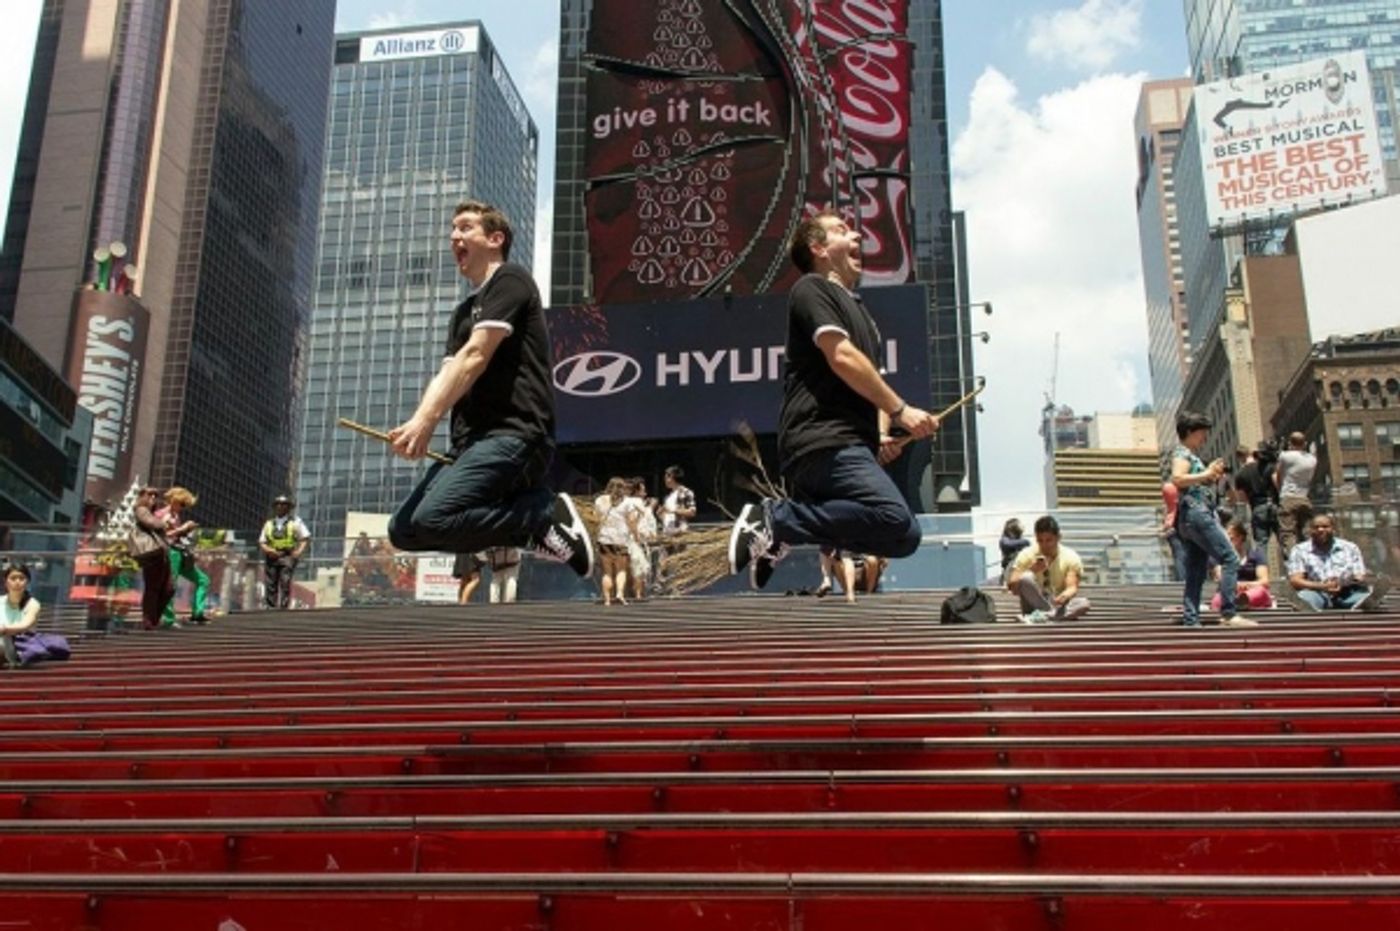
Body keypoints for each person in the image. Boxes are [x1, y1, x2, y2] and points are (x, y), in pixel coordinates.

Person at [727, 211, 938, 585]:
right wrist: (902, 410)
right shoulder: (812, 288)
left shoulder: (863, 315)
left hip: (849, 444)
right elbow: (840, 356)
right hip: (822, 439)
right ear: (818, 248)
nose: (856, 235)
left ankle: (784, 532)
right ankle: (774, 521)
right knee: (893, 518)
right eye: (842, 230)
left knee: (904, 537)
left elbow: (868, 381)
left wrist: (882, 434)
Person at [385, 200, 592, 577]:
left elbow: (476, 355)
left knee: (433, 518)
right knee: (403, 531)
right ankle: (531, 528)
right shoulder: (463, 313)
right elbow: (450, 372)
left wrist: (425, 422)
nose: (453, 237)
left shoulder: (511, 280)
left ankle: (542, 514)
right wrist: (418, 423)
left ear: (495, 238)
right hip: (469, 445)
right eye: (452, 230)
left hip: (514, 436)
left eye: (465, 228)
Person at [1171, 412, 1254, 628]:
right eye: (1201, 434)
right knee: (1230, 559)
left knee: (1196, 568)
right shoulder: (1182, 453)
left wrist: (1210, 476)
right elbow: (1178, 479)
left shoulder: (1189, 455)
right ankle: (1228, 613)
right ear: (1190, 432)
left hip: (1191, 515)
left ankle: (1191, 618)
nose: (1204, 438)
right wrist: (1207, 473)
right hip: (1197, 513)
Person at [1286, 515, 1392, 612]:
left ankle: (1367, 601)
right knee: (1305, 597)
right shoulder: (1299, 550)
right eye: (1316, 527)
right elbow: (1295, 580)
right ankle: (1304, 605)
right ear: (1310, 530)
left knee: (1361, 597)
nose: (1320, 529)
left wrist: (1342, 583)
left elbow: (1359, 576)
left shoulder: (1350, 548)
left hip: (1347, 592)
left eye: (1325, 526)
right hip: (1316, 592)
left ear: (1333, 529)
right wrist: (1322, 586)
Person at [1006, 515, 1091, 622]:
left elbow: (1072, 587)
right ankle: (1049, 615)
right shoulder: (1027, 555)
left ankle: (1042, 617)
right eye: (1040, 541)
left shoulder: (1070, 557)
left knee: (1084, 603)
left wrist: (1064, 596)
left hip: (1057, 604)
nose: (1044, 545)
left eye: (1049, 540)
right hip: (1033, 607)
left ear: (1058, 538)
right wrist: (1032, 570)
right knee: (1026, 577)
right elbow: (1013, 586)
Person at [157, 486, 209, 627]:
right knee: (171, 585)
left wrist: (186, 531)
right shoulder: (163, 514)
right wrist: (183, 529)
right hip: (170, 552)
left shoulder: (175, 515)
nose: (183, 507)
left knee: (203, 580)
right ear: (174, 500)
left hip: (180, 553)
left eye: (184, 505)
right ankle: (168, 619)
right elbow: (162, 535)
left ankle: (197, 613)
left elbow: (175, 534)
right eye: (182, 504)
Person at [2, 564, 69, 668]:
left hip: (18, 648)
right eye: (13, 578)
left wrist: (4, 629)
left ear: (27, 581)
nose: (17, 582)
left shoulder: (33, 604)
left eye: (21, 578)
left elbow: (24, 626)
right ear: (6, 582)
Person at [132, 485, 175, 628]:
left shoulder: (152, 513)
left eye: (155, 496)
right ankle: (149, 621)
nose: (153, 498)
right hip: (152, 555)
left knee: (169, 589)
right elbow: (151, 523)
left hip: (161, 554)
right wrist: (164, 522)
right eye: (150, 495)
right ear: (142, 496)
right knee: (153, 588)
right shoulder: (141, 510)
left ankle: (154, 619)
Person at [258, 495, 310, 610]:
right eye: (278, 505)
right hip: (272, 556)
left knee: (285, 581)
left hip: (287, 555)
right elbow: (262, 541)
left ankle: (283, 606)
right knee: (270, 582)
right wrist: (269, 550)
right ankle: (270, 606)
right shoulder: (269, 523)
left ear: (288, 508)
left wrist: (298, 552)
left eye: (283, 505)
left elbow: (305, 537)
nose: (280, 507)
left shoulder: (295, 521)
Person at [1211, 520, 1275, 612]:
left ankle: (1242, 600)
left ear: (1240, 537)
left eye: (1231, 539)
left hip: (1252, 590)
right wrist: (1235, 585)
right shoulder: (1219, 557)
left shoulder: (1256, 555)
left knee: (1261, 592)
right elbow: (1221, 577)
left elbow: (1264, 581)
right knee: (1217, 601)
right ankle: (1237, 602)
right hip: (1229, 590)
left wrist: (1247, 585)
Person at [594, 478, 638, 605]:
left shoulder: (599, 500)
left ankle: (607, 599)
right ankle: (619, 594)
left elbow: (596, 518)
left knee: (607, 572)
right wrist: (635, 535)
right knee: (621, 570)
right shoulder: (626, 503)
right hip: (620, 539)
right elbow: (632, 521)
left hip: (604, 539)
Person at [1233, 443, 1279, 558]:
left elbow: (1242, 499)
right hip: (1274, 504)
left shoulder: (1239, 475)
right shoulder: (1266, 466)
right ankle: (1294, 569)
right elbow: (1277, 483)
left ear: (1239, 458)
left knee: (1261, 544)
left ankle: (1262, 572)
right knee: (1284, 539)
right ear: (1250, 453)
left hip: (1257, 507)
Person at [1275, 432, 1316, 556]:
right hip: (1304, 498)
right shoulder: (1312, 459)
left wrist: (1280, 491)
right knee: (1307, 531)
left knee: (1288, 532)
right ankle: (1312, 556)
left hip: (1288, 497)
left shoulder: (1285, 456)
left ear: (1290, 443)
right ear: (1305, 444)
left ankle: (1294, 560)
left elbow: (1277, 474)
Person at [627, 477, 658, 601]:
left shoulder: (627, 502)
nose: (645, 493)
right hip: (634, 539)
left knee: (636, 566)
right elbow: (635, 520)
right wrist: (637, 536)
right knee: (639, 566)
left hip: (633, 539)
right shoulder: (635, 502)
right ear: (636, 491)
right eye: (642, 490)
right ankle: (638, 594)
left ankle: (635, 593)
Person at [1161, 481, 1185, 581]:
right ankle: (1183, 579)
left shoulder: (1169, 506)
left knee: (1178, 556)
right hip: (1177, 531)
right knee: (1181, 556)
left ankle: (1181, 579)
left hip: (1171, 532)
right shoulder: (1180, 504)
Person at [999, 518, 1030, 582]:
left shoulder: (1020, 539)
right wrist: (1024, 542)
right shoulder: (1004, 539)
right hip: (1009, 569)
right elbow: (1007, 544)